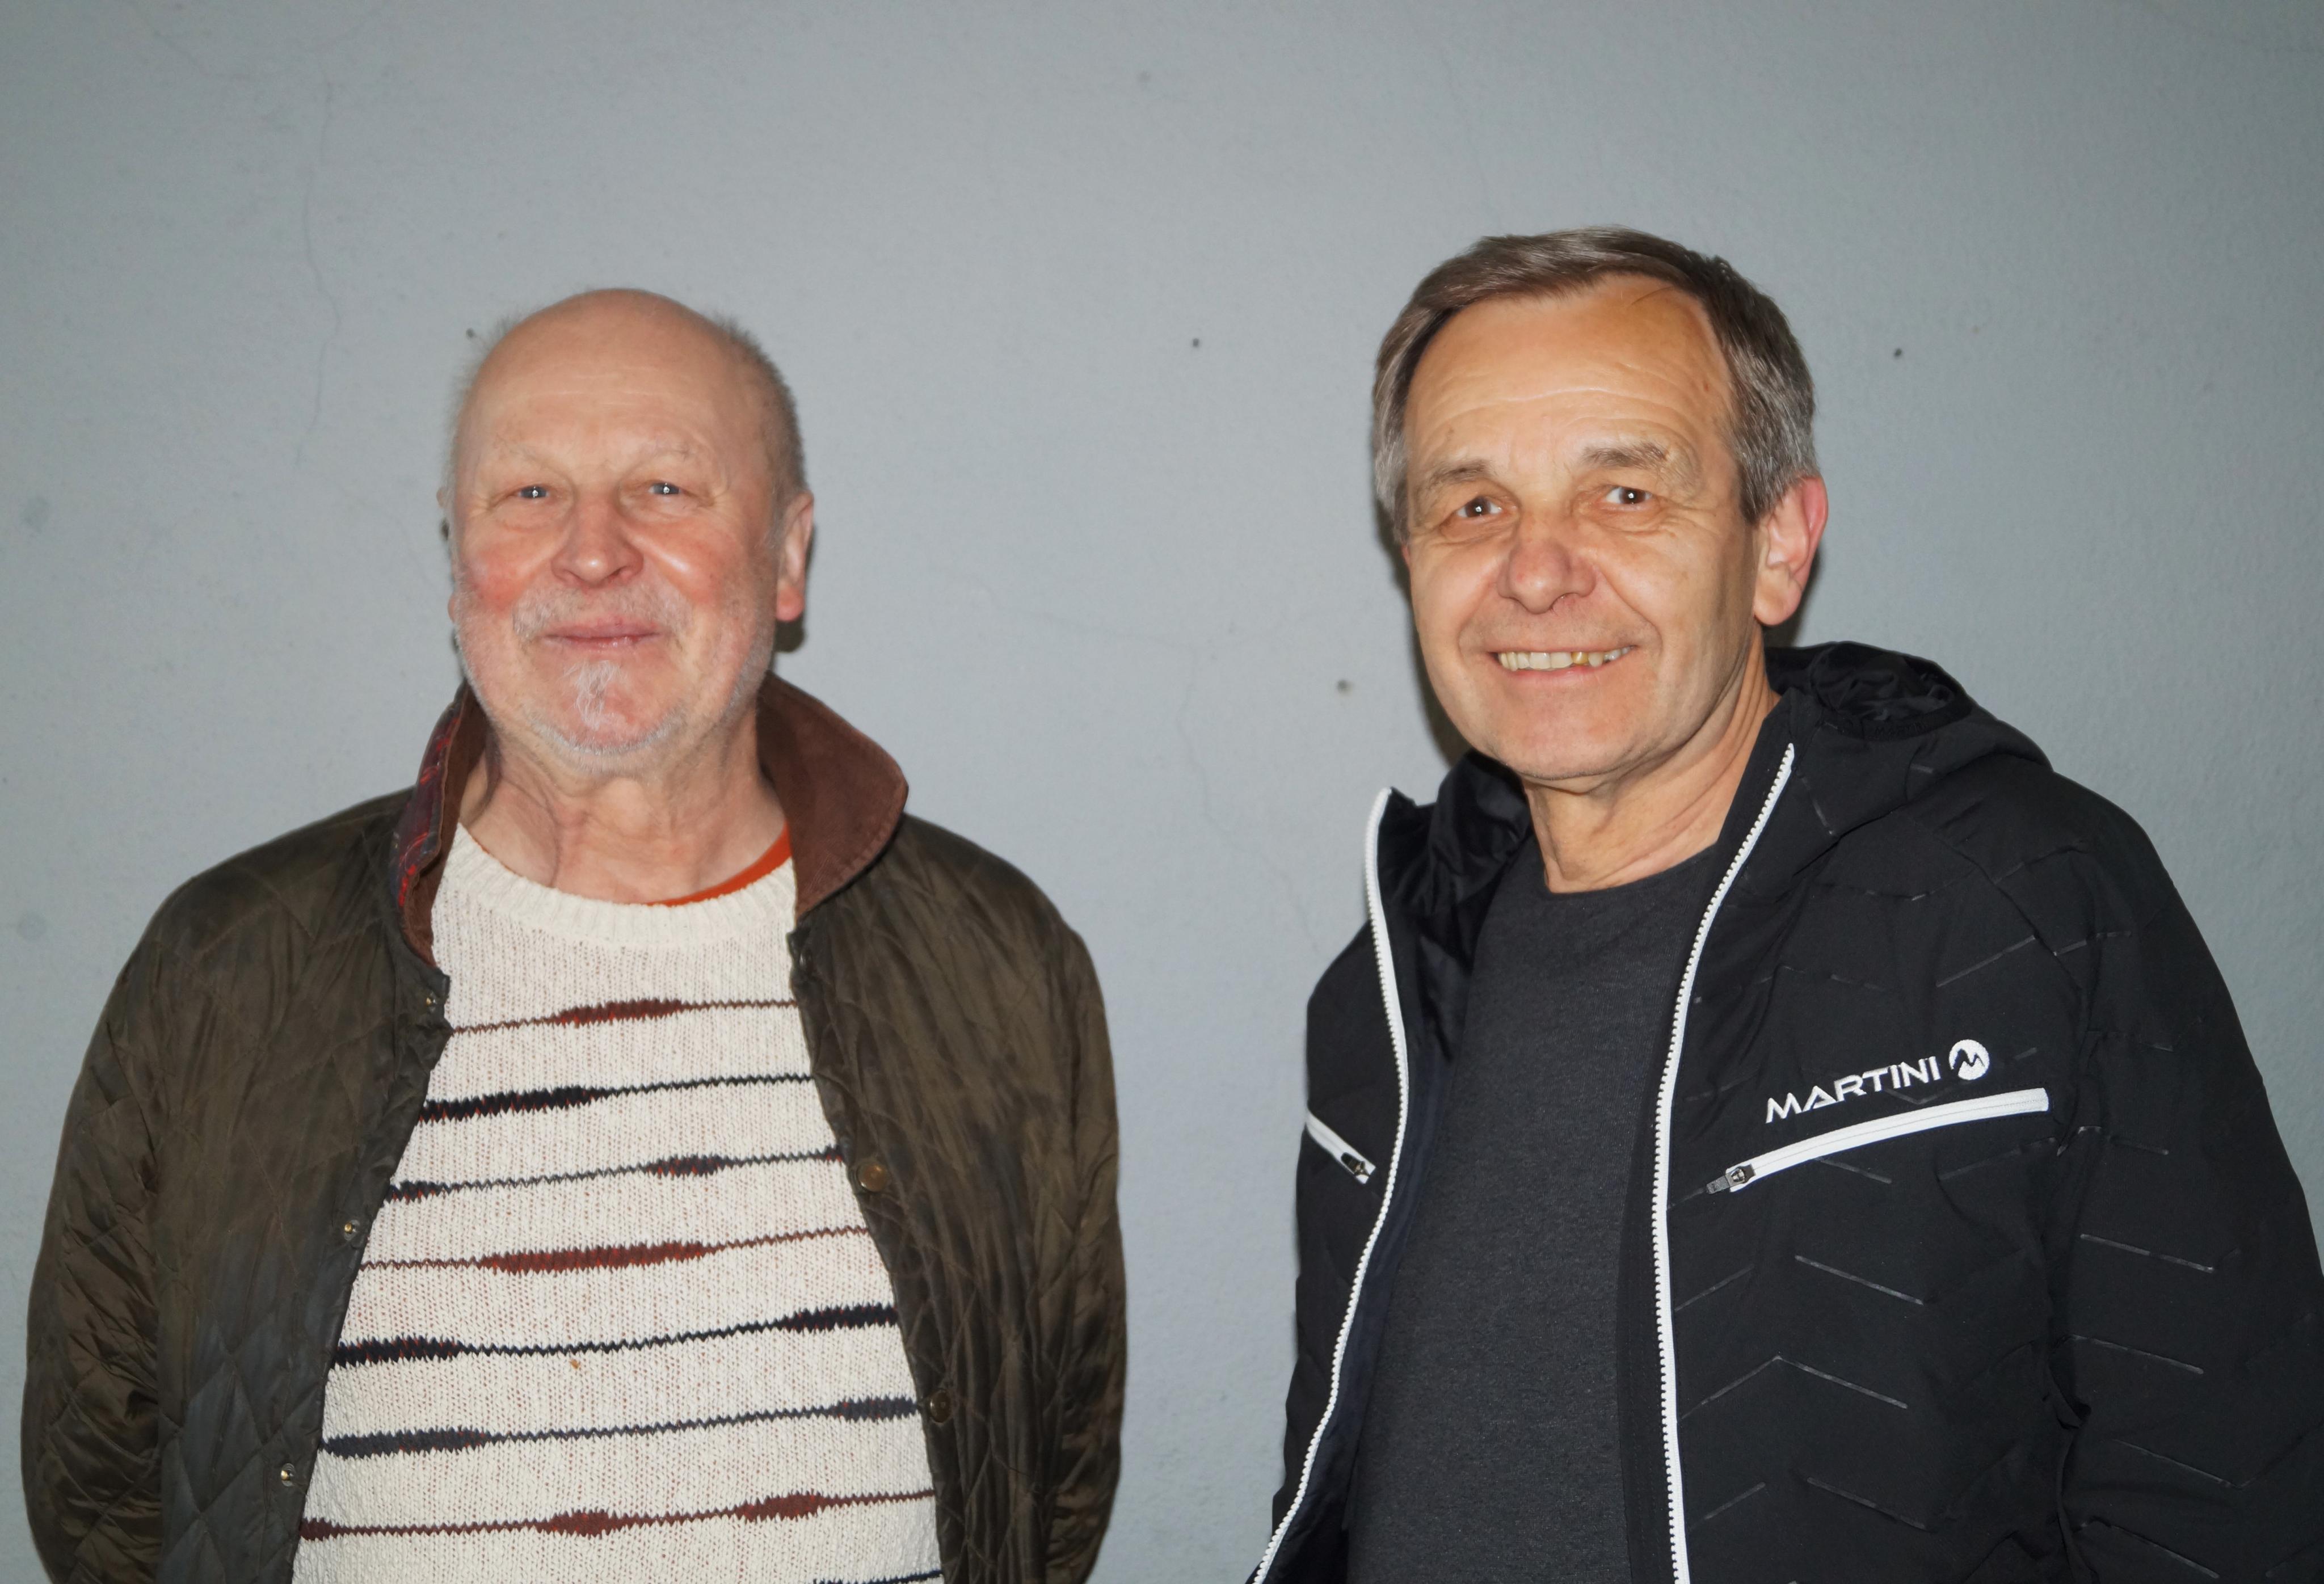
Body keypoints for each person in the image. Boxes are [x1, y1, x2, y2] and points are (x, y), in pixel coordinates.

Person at [1253, 229, 2324, 1582]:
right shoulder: (1386, 991)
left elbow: (2228, 1490)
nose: (1534, 569)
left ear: (1776, 545)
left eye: (1624, 493)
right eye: (1470, 506)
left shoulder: (2021, 899)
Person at [23, 289, 1123, 1584]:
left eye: (665, 487)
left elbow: (1047, 1474)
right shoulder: (226, 967)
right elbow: (106, 1487)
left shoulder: (992, 962)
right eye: (529, 494)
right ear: (457, 563)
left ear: (786, 557)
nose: (592, 553)